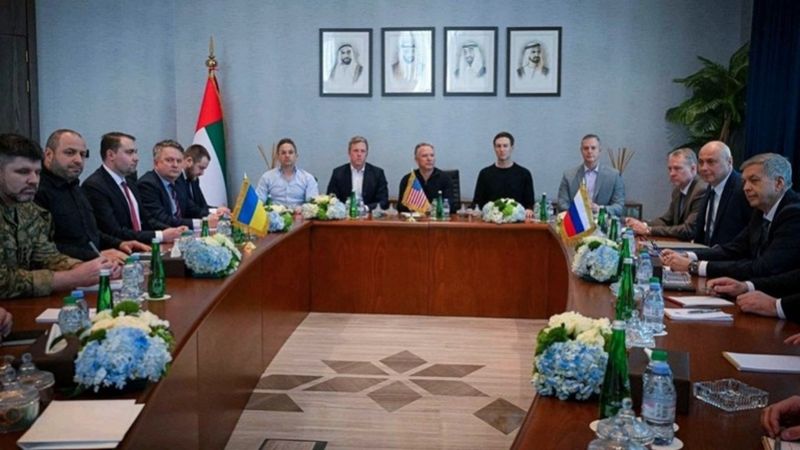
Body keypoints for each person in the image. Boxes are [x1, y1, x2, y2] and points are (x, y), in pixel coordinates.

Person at [0, 133, 117, 299]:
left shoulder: (28, 210)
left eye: (37, 172)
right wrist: (71, 277)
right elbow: (3, 281)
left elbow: (47, 256)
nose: (33, 180)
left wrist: (93, 269)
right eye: (23, 172)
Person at [661, 153, 800, 280]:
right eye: (744, 182)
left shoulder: (794, 214)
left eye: (754, 180)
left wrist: (695, 266)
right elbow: (733, 249)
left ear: (779, 183)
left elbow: (764, 267)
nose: (746, 188)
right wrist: (688, 255)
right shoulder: (761, 209)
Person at [34, 129, 148, 263]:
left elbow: (90, 233)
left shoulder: (74, 186)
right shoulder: (36, 190)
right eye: (70, 152)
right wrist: (95, 255)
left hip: (92, 264)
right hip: (68, 270)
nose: (78, 160)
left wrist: (119, 244)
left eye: (83, 154)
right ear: (48, 154)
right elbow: (43, 248)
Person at [83, 132, 186, 244]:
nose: (136, 158)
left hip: (142, 246)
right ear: (111, 155)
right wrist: (160, 235)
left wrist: (172, 231)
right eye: (130, 152)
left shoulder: (130, 183)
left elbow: (146, 220)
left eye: (136, 152)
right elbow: (114, 231)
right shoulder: (95, 186)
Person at [625, 148, 706, 240]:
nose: (672, 173)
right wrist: (642, 224)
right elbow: (666, 220)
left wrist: (649, 230)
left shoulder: (700, 190)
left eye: (677, 168)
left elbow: (689, 230)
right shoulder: (677, 190)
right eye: (670, 169)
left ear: (693, 169)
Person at [692, 140, 751, 247]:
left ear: (729, 162)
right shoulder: (712, 185)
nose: (704, 168)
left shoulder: (743, 189)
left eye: (711, 162)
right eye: (700, 162)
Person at [138, 140, 208, 230]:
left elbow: (191, 209)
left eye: (179, 161)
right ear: (156, 163)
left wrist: (212, 216)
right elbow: (162, 219)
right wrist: (201, 223)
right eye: (169, 160)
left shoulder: (178, 182)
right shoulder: (147, 184)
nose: (175, 165)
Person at [557, 134, 625, 216]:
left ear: (599, 150)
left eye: (593, 148)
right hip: (576, 221)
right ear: (581, 151)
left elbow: (619, 207)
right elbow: (562, 203)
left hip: (603, 221)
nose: (589, 151)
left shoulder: (614, 176)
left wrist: (600, 209)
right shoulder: (569, 176)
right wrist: (577, 212)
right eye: (586, 148)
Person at [472, 131, 535, 214]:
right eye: (498, 146)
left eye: (505, 146)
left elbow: (529, 204)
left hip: (518, 220)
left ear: (511, 148)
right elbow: (477, 203)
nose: (502, 150)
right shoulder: (485, 174)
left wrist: (529, 210)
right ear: (494, 148)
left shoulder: (524, 174)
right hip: (491, 220)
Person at [326, 136, 389, 210]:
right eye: (356, 151)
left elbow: (383, 202)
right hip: (344, 215)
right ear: (349, 153)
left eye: (362, 151)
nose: (359, 154)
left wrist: (365, 208)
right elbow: (331, 199)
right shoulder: (338, 173)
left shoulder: (377, 174)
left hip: (369, 214)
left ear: (366, 154)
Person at [256, 138, 319, 208]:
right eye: (283, 153)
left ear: (296, 156)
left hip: (300, 213)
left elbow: (312, 204)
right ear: (278, 157)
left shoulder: (308, 178)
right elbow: (258, 202)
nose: (287, 155)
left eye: (290, 152)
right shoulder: (267, 177)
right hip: (275, 214)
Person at [397, 142, 456, 213]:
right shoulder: (408, 179)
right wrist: (419, 207)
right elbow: (400, 206)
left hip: (438, 218)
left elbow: (451, 205)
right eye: (424, 156)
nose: (429, 159)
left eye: (432, 155)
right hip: (415, 218)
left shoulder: (445, 179)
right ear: (416, 160)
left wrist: (433, 208)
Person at [183, 144, 230, 216]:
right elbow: (190, 209)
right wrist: (214, 212)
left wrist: (217, 210)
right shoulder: (176, 181)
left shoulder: (194, 180)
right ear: (189, 161)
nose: (202, 173)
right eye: (201, 168)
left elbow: (202, 206)